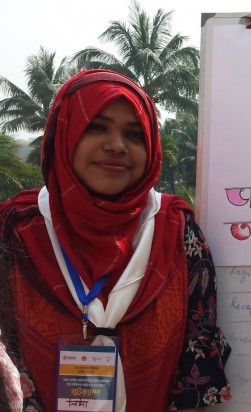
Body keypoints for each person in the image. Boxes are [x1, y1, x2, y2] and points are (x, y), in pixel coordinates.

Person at [0, 69, 231, 411]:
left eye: (134, 134)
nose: (116, 145)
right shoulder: (16, 229)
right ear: (64, 133)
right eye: (97, 126)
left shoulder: (176, 230)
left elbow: (196, 361)